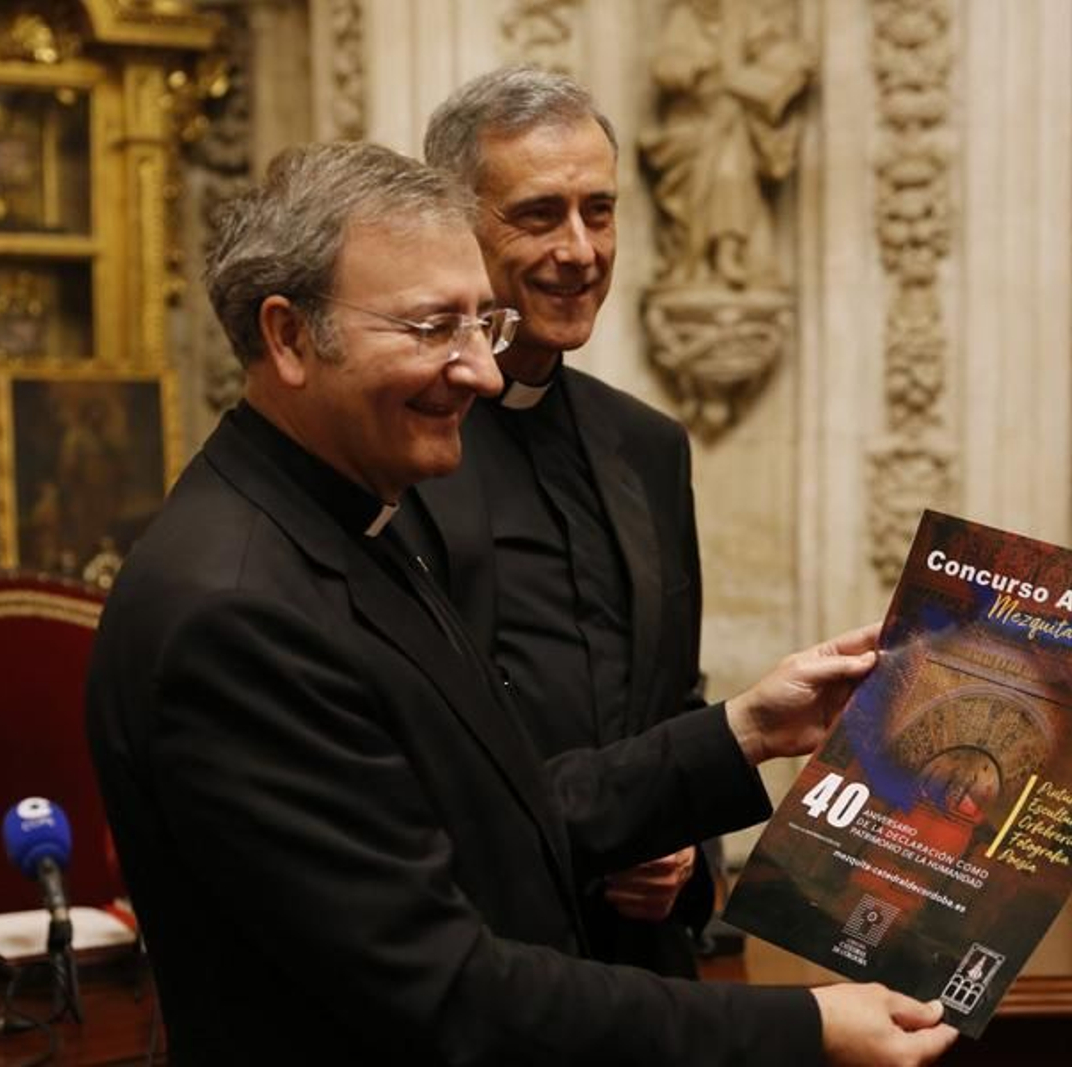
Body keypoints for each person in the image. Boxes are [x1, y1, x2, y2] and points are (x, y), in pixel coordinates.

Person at [86, 140, 957, 1066]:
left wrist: (741, 730)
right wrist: (807, 1026)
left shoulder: (347, 521)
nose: (485, 373)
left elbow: (498, 811)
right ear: (290, 337)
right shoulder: (237, 613)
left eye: (480, 326)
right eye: (432, 329)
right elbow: (444, 991)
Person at [403, 65, 713, 979]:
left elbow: (673, 704)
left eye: (600, 211)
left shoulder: (649, 445)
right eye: (539, 215)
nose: (580, 249)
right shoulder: (399, 438)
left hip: (638, 968)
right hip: (470, 960)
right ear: (453, 226)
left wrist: (685, 848)